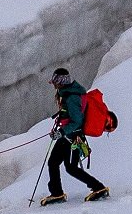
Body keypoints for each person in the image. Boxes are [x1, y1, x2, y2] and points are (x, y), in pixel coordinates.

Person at [41, 66, 112, 203]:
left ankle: (96, 189)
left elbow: (77, 120)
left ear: (60, 82)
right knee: (64, 165)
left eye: (55, 82)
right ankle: (95, 188)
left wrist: (62, 132)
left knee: (59, 164)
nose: (53, 85)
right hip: (70, 135)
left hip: (71, 137)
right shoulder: (68, 93)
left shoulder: (71, 97)